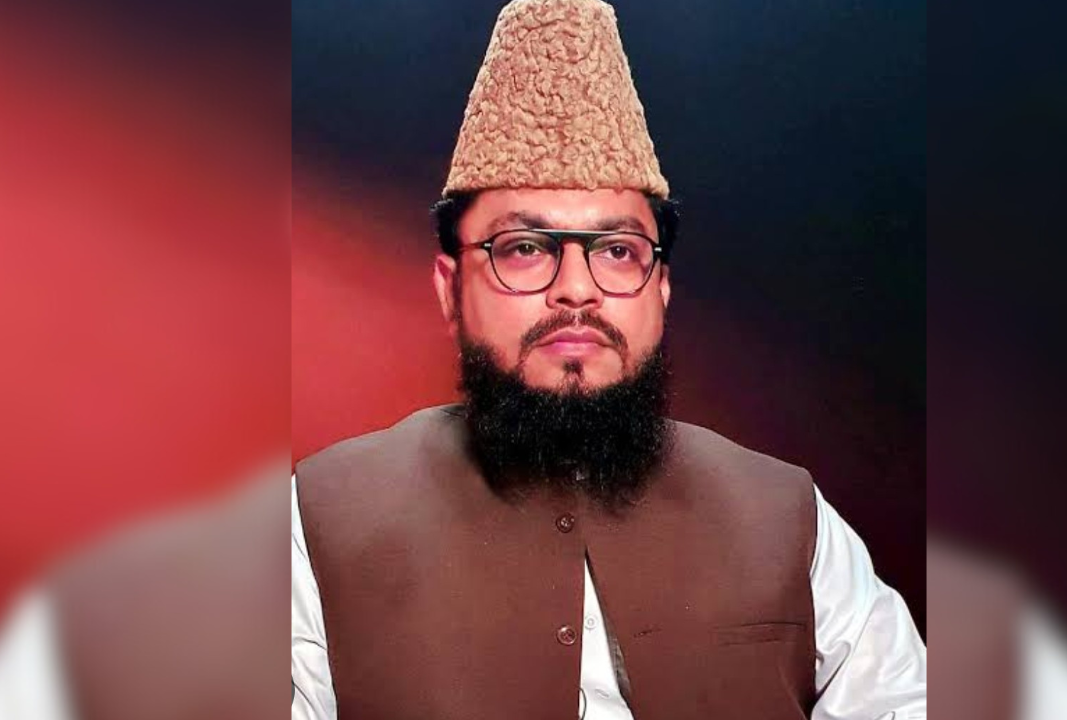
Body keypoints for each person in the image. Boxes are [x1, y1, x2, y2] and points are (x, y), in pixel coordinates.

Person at [290, 1, 925, 719]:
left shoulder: (789, 517)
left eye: (618, 251)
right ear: (450, 289)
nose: (576, 289)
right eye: (524, 249)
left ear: (661, 288)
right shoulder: (319, 522)